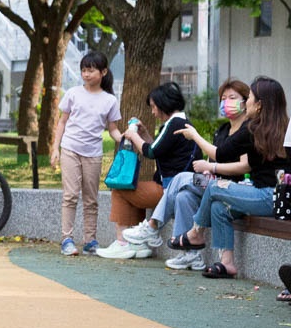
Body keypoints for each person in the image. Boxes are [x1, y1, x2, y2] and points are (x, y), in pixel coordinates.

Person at [171, 76, 291, 278]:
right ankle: (227, 263)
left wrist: (195, 136)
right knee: (218, 207)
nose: (246, 102)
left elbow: (220, 154)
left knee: (215, 187)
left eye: (250, 97)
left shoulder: (252, 129)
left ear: (259, 105)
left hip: (268, 196)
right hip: (276, 197)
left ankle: (195, 232)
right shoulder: (283, 126)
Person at [133, 80, 251, 271]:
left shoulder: (248, 130)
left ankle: (153, 226)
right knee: (183, 196)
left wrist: (212, 168)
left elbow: (245, 168)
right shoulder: (222, 131)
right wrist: (208, 168)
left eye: (232, 98)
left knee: (181, 178)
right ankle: (190, 255)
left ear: (246, 101)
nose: (226, 102)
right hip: (212, 181)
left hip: (233, 186)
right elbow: (214, 161)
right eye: (223, 98)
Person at [96, 82, 199, 259]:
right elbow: (160, 149)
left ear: (164, 104)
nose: (152, 112)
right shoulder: (180, 122)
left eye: (153, 107)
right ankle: (137, 245)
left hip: (169, 189)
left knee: (120, 189)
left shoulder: (174, 124)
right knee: (132, 190)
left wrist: (134, 136)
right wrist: (143, 135)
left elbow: (151, 152)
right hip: (176, 186)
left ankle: (123, 243)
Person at [50, 52, 123, 256]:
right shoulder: (73, 93)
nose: (86, 74)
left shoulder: (109, 100)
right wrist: (55, 148)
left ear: (103, 72)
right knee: (70, 195)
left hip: (93, 153)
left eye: (91, 70)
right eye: (84, 70)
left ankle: (90, 240)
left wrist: (127, 138)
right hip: (71, 149)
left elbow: (113, 129)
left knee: (91, 198)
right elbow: (62, 122)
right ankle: (67, 239)